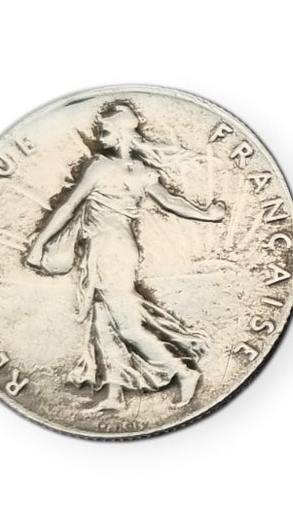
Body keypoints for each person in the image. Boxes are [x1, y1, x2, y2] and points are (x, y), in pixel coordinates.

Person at [25, 102, 226, 413]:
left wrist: (39, 245)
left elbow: (67, 207)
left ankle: (183, 372)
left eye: (104, 129)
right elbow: (172, 203)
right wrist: (207, 215)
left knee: (128, 326)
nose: (99, 134)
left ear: (120, 132)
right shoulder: (144, 172)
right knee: (102, 320)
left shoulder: (100, 167)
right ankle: (115, 392)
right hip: (119, 247)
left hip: (107, 250)